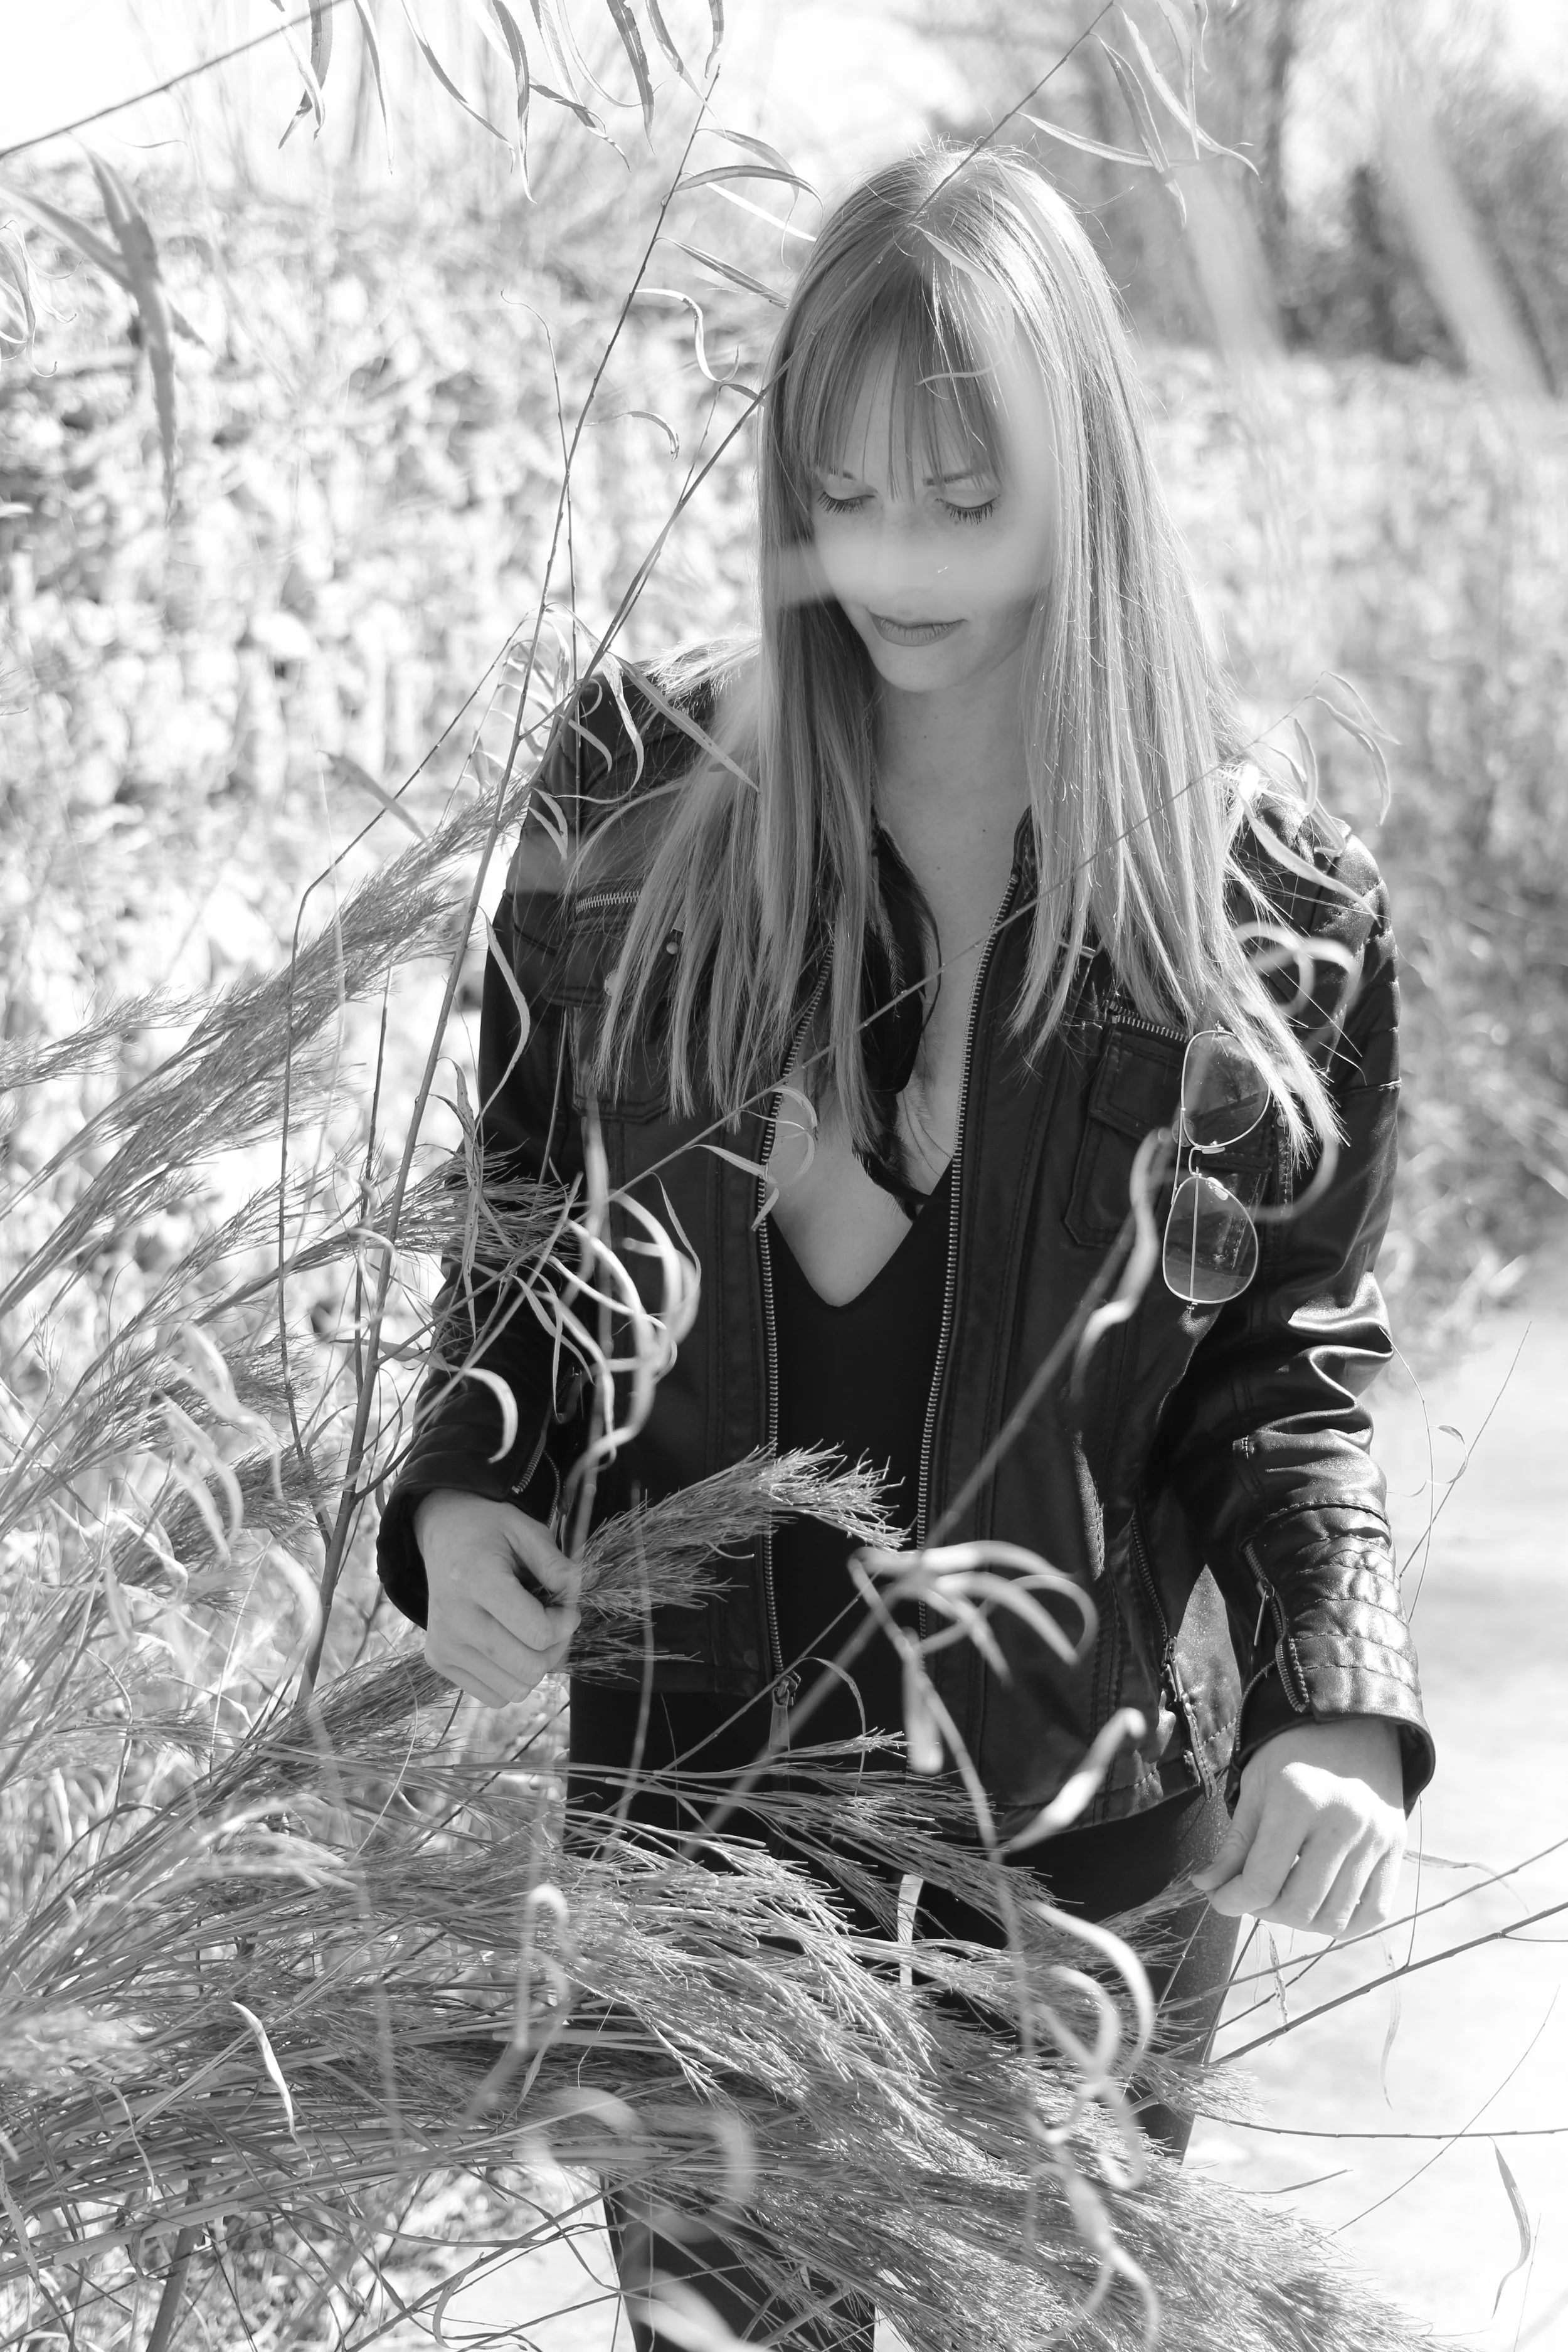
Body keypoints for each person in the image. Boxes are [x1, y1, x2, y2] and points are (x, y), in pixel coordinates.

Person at [376, 142, 1434, 2346]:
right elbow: (524, 1228)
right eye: (837, 489)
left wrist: (1329, 1700)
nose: (885, 558)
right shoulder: (631, 809)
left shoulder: (1271, 912)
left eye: (963, 493)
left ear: (1088, 473)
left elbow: (1290, 1362)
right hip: (692, 1824)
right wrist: (472, 1478)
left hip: (1068, 1849)